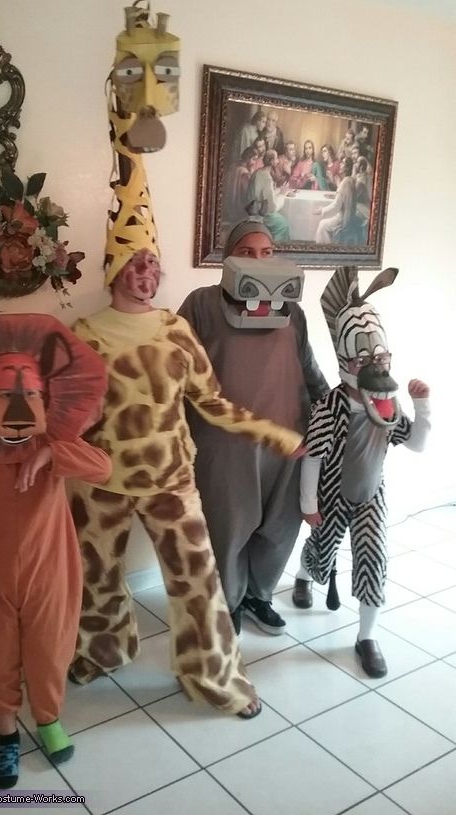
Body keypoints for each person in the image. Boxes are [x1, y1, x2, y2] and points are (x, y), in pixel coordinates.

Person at [68, 248, 303, 719]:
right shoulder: (82, 335)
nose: (148, 273)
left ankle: (214, 677)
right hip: (100, 481)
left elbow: (211, 402)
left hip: (170, 479)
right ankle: (103, 651)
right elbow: (68, 411)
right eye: (137, 264)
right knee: (96, 577)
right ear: (114, 272)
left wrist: (273, 434)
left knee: (198, 583)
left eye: (155, 265)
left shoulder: (175, 331)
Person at [0, 314, 111, 789]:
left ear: (45, 398)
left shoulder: (54, 441)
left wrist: (51, 453)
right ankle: (5, 733)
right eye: (4, 394)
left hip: (50, 566)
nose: (18, 404)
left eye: (30, 395)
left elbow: (102, 468)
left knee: (49, 645)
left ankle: (48, 717)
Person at [178, 219, 328, 635]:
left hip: (289, 440)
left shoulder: (292, 311)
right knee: (228, 526)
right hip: (225, 442)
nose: (259, 260)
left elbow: (308, 368)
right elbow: (176, 370)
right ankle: (227, 600)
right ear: (228, 258)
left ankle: (258, 595)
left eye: (266, 252)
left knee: (279, 527)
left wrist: (335, 411)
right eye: (246, 252)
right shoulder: (202, 305)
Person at [292, 267, 430, 678]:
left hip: (372, 495)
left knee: (374, 560)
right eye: (364, 358)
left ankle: (367, 636)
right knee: (322, 549)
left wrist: (422, 407)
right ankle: (304, 574)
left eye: (381, 358)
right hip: (332, 496)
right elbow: (312, 457)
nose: (374, 365)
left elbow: (417, 444)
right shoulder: (330, 407)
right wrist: (309, 505)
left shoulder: (387, 403)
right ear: (345, 360)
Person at [246, 149, 290, 242]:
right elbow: (271, 208)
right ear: (272, 161)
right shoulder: (267, 178)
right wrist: (282, 195)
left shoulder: (257, 172)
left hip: (254, 210)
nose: (278, 160)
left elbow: (263, 194)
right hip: (260, 215)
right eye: (276, 158)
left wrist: (278, 192)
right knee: (283, 224)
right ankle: (277, 249)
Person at [315, 156, 356, 244]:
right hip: (347, 216)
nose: (340, 165)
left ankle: (325, 249)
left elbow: (336, 206)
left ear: (347, 168)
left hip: (344, 218)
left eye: (342, 163)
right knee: (326, 220)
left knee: (322, 224)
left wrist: (322, 210)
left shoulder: (345, 183)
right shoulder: (350, 181)